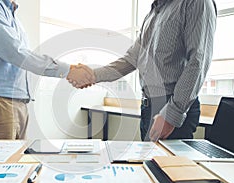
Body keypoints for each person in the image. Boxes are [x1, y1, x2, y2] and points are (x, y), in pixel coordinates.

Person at [68, 0, 217, 141]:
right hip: (148, 108)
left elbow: (198, 62)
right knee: (147, 165)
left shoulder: (196, 3)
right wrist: (93, 75)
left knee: (167, 167)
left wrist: (172, 115)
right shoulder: (153, 14)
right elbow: (131, 59)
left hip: (171, 105)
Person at [0, 0, 95, 139]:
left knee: (17, 159)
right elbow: (15, 52)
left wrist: (70, 70)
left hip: (15, 102)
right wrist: (68, 70)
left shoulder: (10, 14)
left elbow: (21, 55)